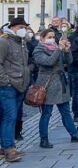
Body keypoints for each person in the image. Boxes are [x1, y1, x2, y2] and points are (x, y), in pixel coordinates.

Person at [32, 29, 78, 148]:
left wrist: (67, 50)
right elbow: (49, 61)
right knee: (46, 113)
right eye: (49, 36)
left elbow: (69, 61)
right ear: (42, 38)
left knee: (66, 112)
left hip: (61, 83)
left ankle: (74, 134)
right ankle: (44, 139)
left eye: (53, 36)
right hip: (47, 84)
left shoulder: (55, 47)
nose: (52, 38)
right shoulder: (38, 50)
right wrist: (59, 49)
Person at [0, 18, 31, 162]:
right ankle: (9, 149)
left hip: (20, 85)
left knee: (7, 118)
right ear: (12, 27)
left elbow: (23, 64)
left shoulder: (22, 42)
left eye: (25, 27)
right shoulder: (4, 42)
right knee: (9, 118)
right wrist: (6, 81)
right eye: (20, 27)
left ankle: (4, 145)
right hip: (8, 86)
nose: (23, 29)